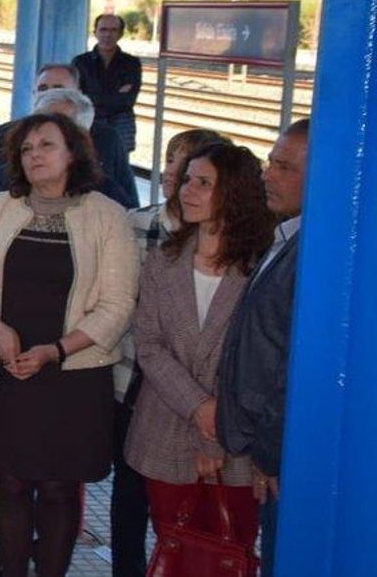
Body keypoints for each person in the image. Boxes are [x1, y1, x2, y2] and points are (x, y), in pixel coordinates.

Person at [0, 112, 138, 577]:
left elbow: (118, 306)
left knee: (58, 486)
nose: (33, 155)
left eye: (46, 145)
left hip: (73, 373)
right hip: (1, 367)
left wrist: (55, 350)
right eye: (26, 148)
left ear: (73, 153)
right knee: (10, 483)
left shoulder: (108, 216)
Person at [124, 142, 275, 564]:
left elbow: (266, 359)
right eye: (187, 180)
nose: (186, 190)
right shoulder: (162, 260)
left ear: (235, 193)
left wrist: (218, 422)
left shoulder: (262, 265)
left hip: (239, 439)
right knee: (174, 547)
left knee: (232, 549)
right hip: (167, 427)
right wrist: (199, 408)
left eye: (203, 183)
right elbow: (149, 346)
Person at [113, 126, 228, 577]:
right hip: (135, 381)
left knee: (189, 501)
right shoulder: (136, 224)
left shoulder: (235, 245)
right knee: (129, 491)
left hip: (202, 395)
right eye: (171, 164)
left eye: (188, 171)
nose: (171, 176)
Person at [218, 118, 310, 574]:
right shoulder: (289, 235)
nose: (267, 175)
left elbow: (288, 367)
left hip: (282, 459)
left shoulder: (313, 254)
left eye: (284, 167)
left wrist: (269, 455)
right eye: (270, 163)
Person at [0, 64, 138, 208]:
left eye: (58, 88)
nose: (49, 94)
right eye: (42, 89)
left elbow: (129, 205)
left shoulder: (107, 142)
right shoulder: (6, 146)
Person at [73, 14, 142, 155]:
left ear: (121, 34)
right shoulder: (80, 62)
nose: (108, 35)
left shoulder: (132, 63)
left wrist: (94, 97)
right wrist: (115, 94)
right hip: (88, 122)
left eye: (113, 30)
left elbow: (128, 101)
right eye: (103, 30)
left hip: (121, 126)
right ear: (95, 33)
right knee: (87, 167)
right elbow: (76, 97)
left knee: (118, 170)